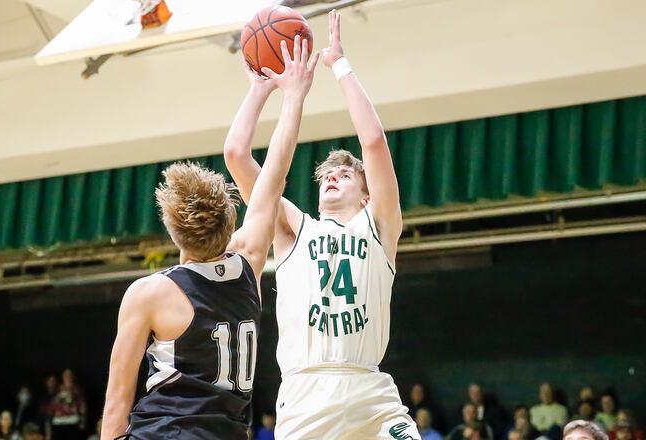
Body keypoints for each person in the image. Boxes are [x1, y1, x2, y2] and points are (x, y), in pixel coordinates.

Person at [101, 34, 319, 440]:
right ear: (230, 220)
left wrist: (259, 88)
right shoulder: (249, 260)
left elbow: (117, 402)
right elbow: (274, 173)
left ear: (173, 231)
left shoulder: (150, 293)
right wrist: (291, 97)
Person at [224, 9, 417, 440]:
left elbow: (373, 141)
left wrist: (339, 66)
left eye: (345, 175)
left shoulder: (379, 226)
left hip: (371, 391)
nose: (332, 177)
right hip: (306, 391)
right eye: (327, 175)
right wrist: (260, 89)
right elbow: (236, 154)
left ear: (366, 195)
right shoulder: (293, 229)